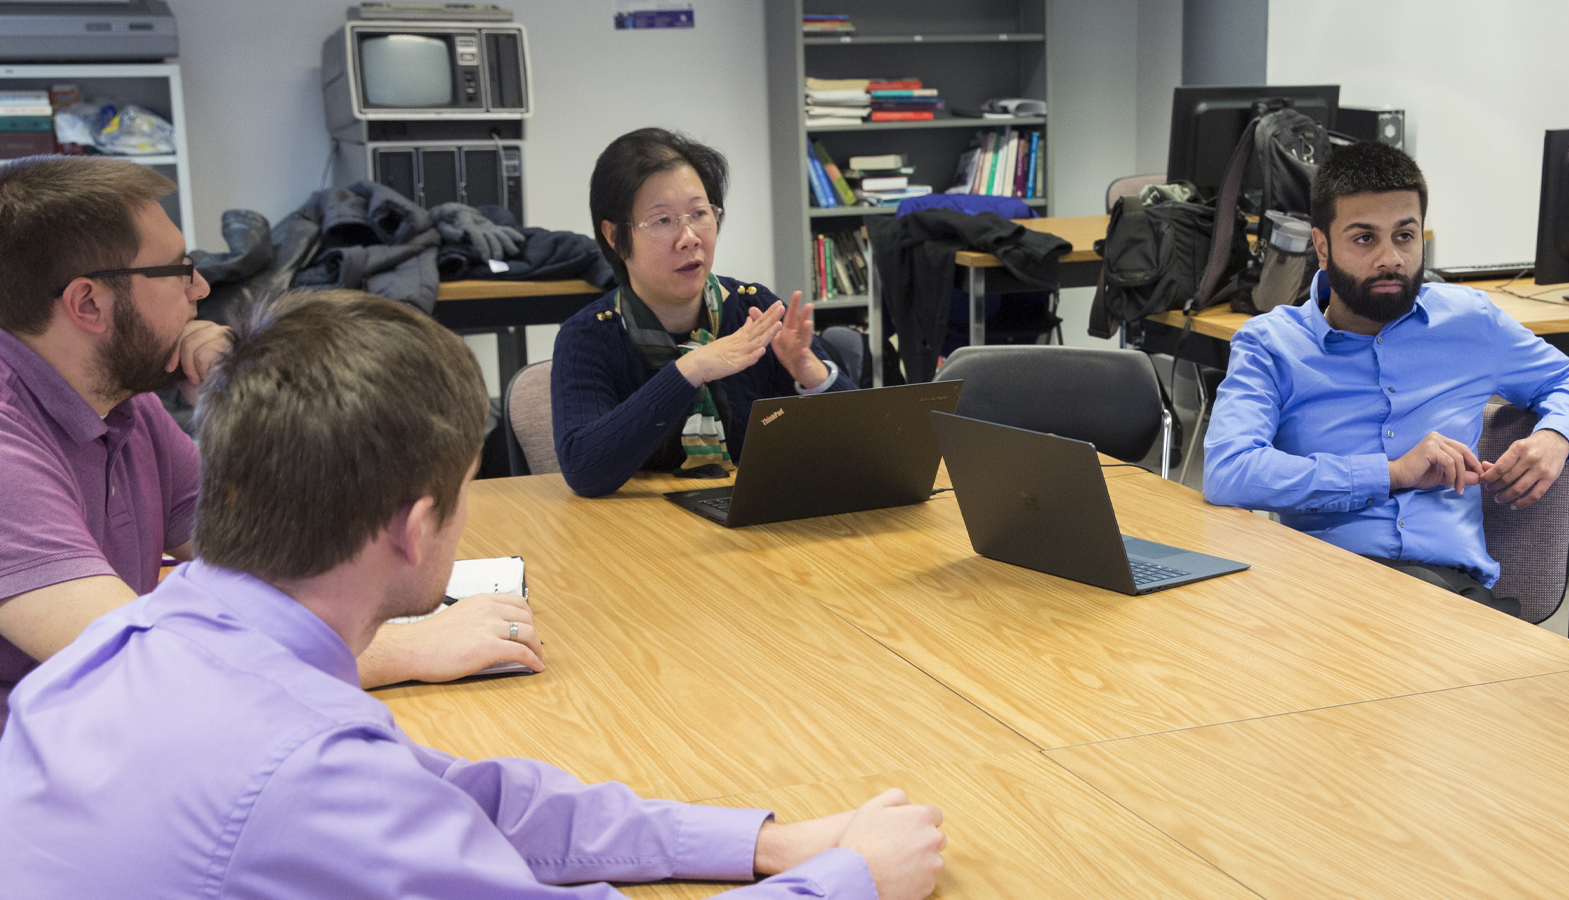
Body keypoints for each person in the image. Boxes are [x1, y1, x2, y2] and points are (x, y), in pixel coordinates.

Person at [0, 289, 949, 898]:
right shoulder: (305, 768)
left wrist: (762, 844)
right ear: (416, 527)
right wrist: (852, 879)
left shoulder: (156, 640)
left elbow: (473, 802)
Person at [0, 156, 541, 719]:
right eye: (178, 270)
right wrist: (405, 649)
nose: (202, 288)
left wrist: (250, 393)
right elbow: (145, 669)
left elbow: (280, 557)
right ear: (89, 303)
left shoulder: (126, 406)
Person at [1201, 141, 1569, 610]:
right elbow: (1229, 471)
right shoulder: (1271, 344)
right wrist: (1389, 474)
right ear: (1322, 247)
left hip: (1447, 593)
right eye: (1365, 238)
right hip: (1318, 588)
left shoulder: (1472, 322)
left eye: (1404, 236)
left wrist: (1555, 437)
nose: (1391, 258)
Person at [553, 128, 854, 498]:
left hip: (750, 527)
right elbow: (585, 470)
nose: (690, 237)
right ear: (615, 237)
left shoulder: (753, 310)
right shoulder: (589, 337)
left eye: (700, 213)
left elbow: (864, 443)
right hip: (638, 539)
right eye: (662, 221)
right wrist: (691, 369)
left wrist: (810, 373)